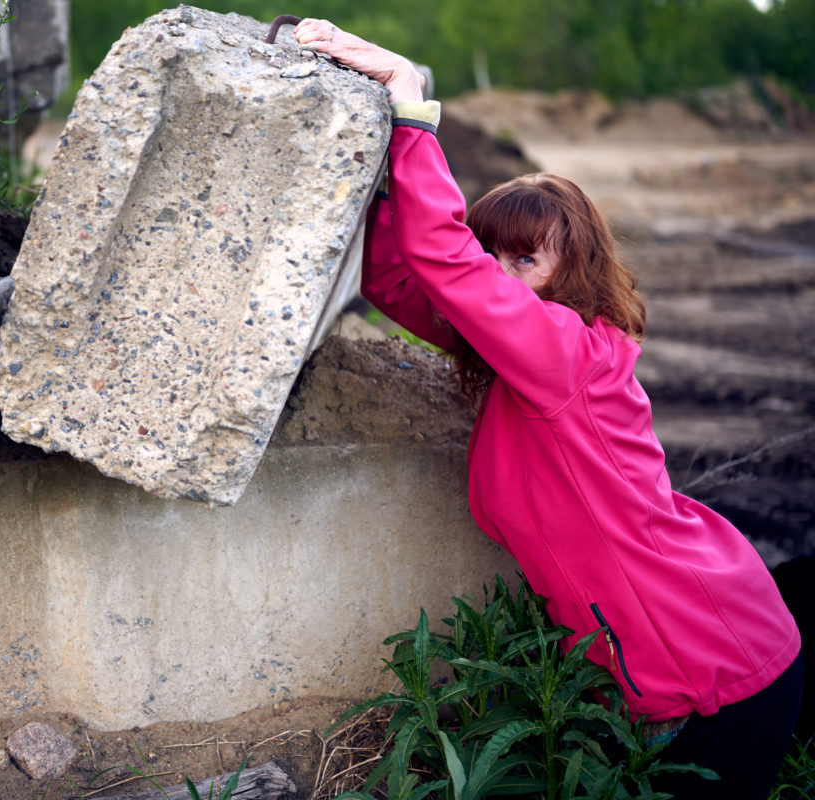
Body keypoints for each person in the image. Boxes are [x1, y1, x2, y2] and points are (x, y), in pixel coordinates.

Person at [293, 18, 803, 799]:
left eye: (524, 259)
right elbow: (405, 281)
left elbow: (449, 264)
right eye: (492, 252)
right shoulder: (519, 356)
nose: (500, 273)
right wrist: (368, 158)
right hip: (655, 686)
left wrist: (411, 105)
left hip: (720, 682)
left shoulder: (568, 355)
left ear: (575, 272)